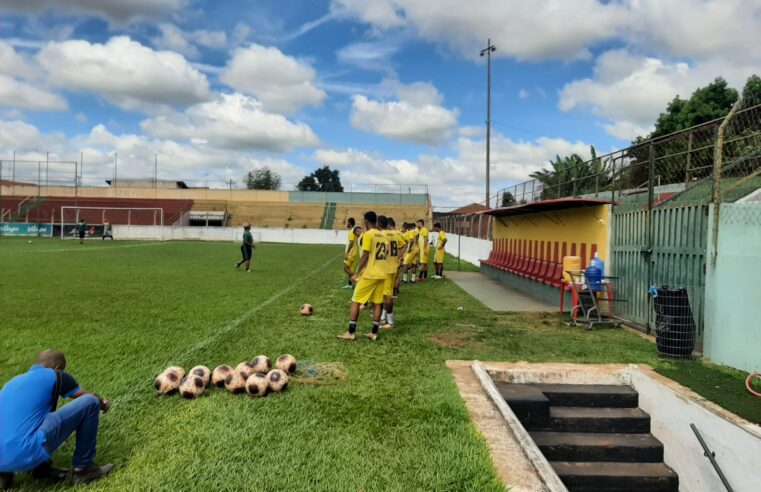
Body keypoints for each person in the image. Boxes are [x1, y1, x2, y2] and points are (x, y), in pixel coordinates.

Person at [0, 350, 113, 488]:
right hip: (26, 450)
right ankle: (84, 469)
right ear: (58, 368)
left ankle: (10, 474)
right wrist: (102, 401)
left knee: (24, 420)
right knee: (90, 402)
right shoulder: (56, 375)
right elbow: (84, 396)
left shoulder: (11, 382)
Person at [337, 211, 389, 342]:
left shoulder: (368, 235)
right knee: (378, 303)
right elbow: (386, 253)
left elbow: (365, 254)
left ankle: (351, 332)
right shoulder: (383, 236)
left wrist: (357, 273)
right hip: (382, 273)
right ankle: (374, 333)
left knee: (356, 301)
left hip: (370, 273)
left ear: (366, 221)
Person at [380, 216, 406, 330]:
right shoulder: (394, 234)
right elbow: (404, 244)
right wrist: (398, 258)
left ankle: (390, 322)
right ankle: (383, 317)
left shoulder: (383, 234)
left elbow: (384, 249)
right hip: (394, 267)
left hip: (386, 268)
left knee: (387, 296)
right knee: (387, 294)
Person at [342, 219, 360, 288]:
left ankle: (357, 277)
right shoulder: (353, 231)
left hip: (351, 253)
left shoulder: (352, 231)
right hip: (354, 252)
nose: (347, 224)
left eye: (347, 222)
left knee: (345, 268)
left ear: (349, 223)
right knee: (349, 268)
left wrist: (347, 253)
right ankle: (349, 284)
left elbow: (351, 242)